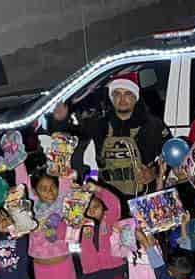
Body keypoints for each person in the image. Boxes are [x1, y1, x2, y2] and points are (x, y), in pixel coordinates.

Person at [69, 71, 168, 199]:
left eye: (127, 94)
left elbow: (170, 157)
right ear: (111, 97)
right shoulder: (99, 125)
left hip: (145, 198)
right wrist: (58, 121)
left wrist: (153, 172)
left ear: (135, 97)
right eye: (117, 94)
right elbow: (71, 138)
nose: (122, 99)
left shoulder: (153, 125)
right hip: (109, 200)